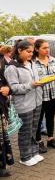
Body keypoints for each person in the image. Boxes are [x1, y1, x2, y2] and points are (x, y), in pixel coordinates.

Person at [4, 40, 44, 166]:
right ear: (20, 50)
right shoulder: (12, 67)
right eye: (28, 52)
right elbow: (14, 88)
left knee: (33, 128)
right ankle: (25, 156)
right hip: (24, 104)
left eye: (32, 52)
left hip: (37, 101)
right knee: (25, 131)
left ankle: (33, 151)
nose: (31, 54)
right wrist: (31, 85)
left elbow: (36, 80)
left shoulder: (32, 63)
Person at [34, 39, 55, 153]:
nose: (47, 50)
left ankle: (50, 139)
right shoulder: (33, 62)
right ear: (37, 49)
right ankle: (38, 141)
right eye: (44, 48)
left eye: (48, 47)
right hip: (40, 95)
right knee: (39, 119)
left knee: (50, 117)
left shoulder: (53, 60)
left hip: (53, 94)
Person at [0, 46, 14, 176]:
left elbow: (6, 81)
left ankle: (1, 166)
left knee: (1, 138)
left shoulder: (2, 61)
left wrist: (7, 88)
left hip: (0, 104)